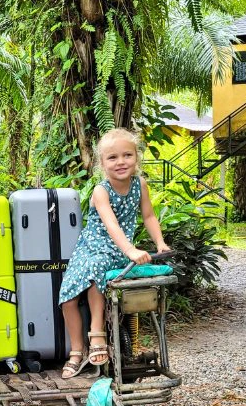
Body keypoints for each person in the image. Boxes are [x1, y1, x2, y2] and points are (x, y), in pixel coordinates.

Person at [58, 128, 170, 379]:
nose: (121, 162)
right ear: (102, 162)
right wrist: (131, 250)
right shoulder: (102, 190)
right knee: (68, 297)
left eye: (127, 155)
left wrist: (160, 242)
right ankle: (77, 351)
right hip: (92, 248)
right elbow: (111, 225)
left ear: (136, 157)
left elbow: (149, 216)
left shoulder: (140, 185)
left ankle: (97, 332)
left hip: (120, 251)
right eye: (112, 157)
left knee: (99, 271)